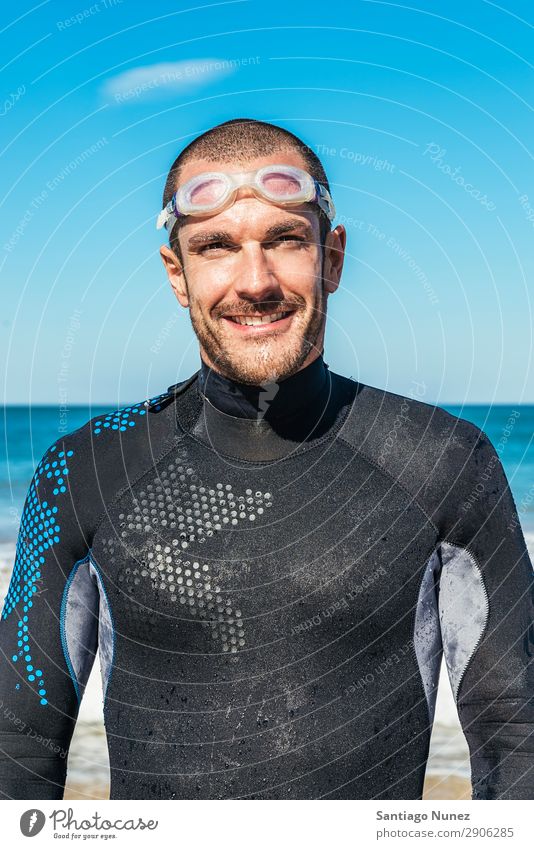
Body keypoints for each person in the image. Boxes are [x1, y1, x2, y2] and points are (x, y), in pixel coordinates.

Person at [1, 118, 533, 801]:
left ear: (331, 258)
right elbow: (18, 742)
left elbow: (517, 734)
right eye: (215, 246)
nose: (255, 281)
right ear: (177, 274)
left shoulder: (446, 463)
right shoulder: (83, 471)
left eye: (284, 239)